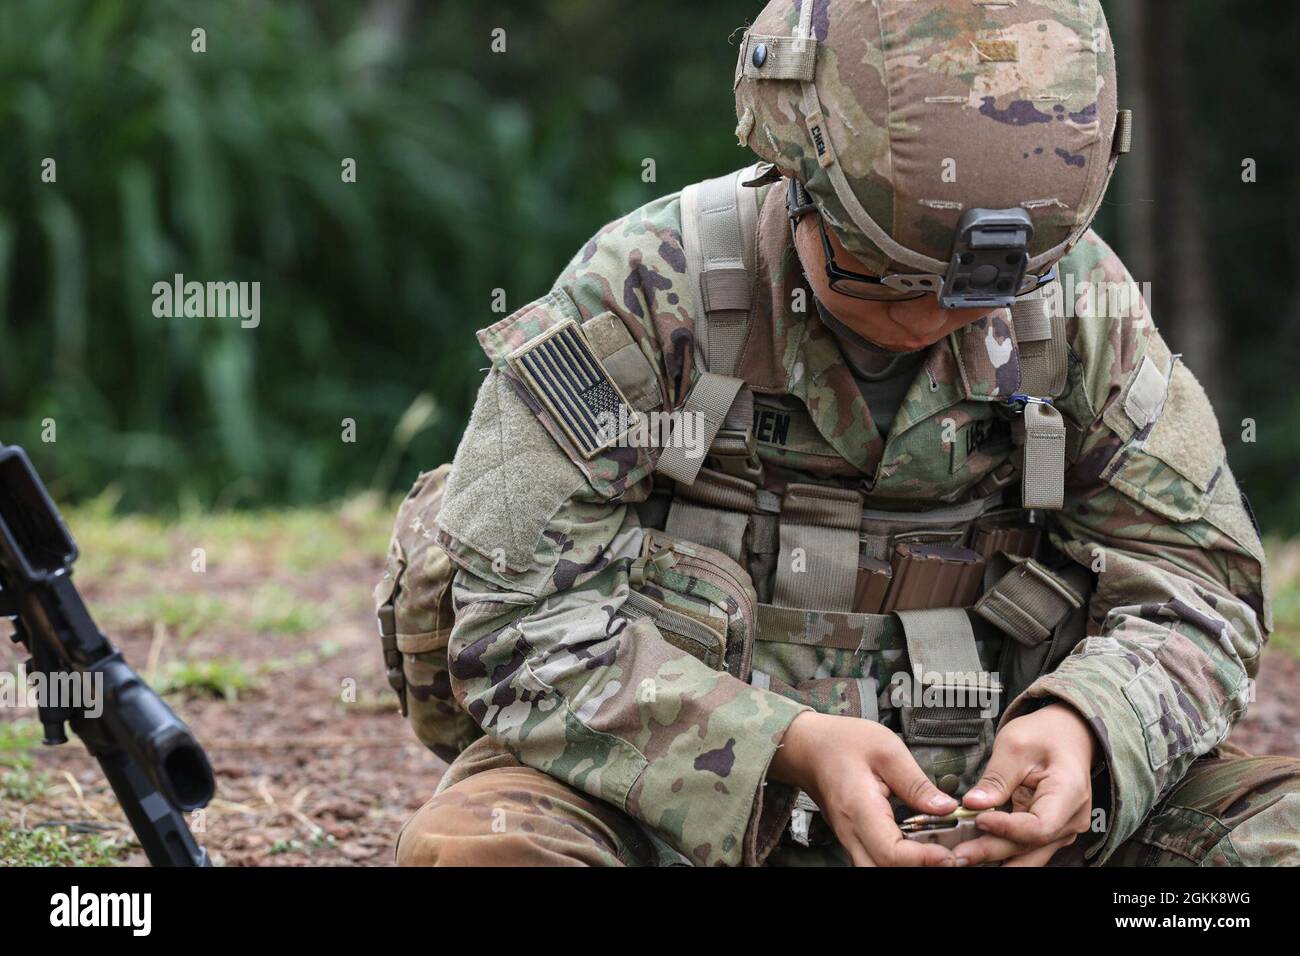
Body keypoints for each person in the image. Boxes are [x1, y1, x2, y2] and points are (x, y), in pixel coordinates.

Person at [381, 0, 1300, 866]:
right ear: (795, 182)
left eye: (986, 292)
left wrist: (1089, 728)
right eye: (889, 280)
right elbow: (513, 618)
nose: (938, 318)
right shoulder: (652, 292)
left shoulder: (1082, 308)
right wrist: (787, 746)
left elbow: (1197, 585)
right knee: (487, 847)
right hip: (672, 813)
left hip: (1003, 824)